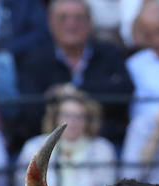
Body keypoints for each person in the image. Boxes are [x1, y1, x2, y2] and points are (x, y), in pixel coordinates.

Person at [15, 0, 133, 150]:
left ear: (90, 23)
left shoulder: (110, 53)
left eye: (79, 18)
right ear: (50, 22)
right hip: (50, 145)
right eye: (63, 18)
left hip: (104, 143)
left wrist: (67, 92)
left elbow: (124, 93)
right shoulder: (34, 59)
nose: (71, 24)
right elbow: (30, 109)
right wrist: (94, 94)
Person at [15, 84, 117, 186]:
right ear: (55, 118)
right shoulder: (34, 147)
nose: (72, 122)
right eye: (66, 115)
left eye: (79, 117)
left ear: (88, 120)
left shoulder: (103, 149)